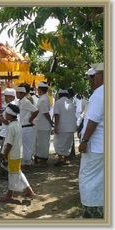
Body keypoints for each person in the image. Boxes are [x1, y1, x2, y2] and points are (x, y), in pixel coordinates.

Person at [78, 62, 104, 218]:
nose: (91, 81)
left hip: (95, 146)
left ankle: (91, 214)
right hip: (103, 146)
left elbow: (93, 119)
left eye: (93, 77)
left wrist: (84, 140)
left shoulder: (101, 93)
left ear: (101, 76)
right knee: (100, 180)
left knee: (87, 178)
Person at [0, 103, 35, 202]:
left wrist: (4, 154)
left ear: (9, 115)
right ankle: (29, 190)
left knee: (12, 174)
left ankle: (9, 194)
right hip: (18, 153)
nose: (4, 115)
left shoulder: (11, 127)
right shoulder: (17, 124)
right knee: (17, 172)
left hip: (13, 154)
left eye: (6, 113)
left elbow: (9, 143)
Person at [15, 86, 38, 173]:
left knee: (27, 147)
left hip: (27, 126)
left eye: (18, 93)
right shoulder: (20, 102)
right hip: (22, 126)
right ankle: (25, 163)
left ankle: (27, 164)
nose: (17, 94)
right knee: (23, 147)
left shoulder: (26, 102)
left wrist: (30, 119)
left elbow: (36, 110)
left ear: (22, 94)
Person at [31, 82, 54, 167]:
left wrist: (50, 122)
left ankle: (43, 161)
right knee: (39, 143)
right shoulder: (43, 98)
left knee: (42, 143)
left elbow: (46, 113)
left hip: (43, 125)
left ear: (40, 89)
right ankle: (39, 159)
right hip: (41, 124)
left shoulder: (43, 99)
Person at [53, 89, 77, 166]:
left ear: (59, 95)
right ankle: (66, 159)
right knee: (68, 143)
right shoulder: (71, 103)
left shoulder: (58, 102)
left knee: (58, 142)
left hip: (62, 126)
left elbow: (57, 114)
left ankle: (60, 158)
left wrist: (56, 126)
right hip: (71, 127)